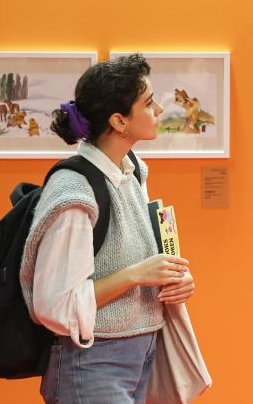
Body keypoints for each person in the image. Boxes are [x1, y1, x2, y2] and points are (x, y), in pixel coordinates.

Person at [20, 53, 196, 403]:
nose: (159, 109)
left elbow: (137, 256)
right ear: (118, 121)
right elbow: (55, 304)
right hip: (91, 363)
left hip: (142, 354)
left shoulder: (131, 170)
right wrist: (137, 274)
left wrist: (173, 279)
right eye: (148, 103)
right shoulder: (74, 192)